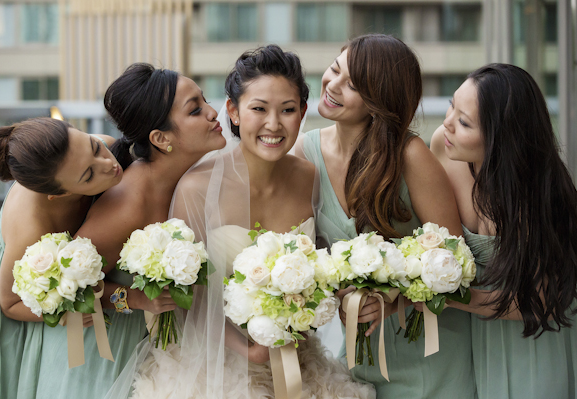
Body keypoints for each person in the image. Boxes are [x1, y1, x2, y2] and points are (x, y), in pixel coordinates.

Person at [107, 45, 376, 399]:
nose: (274, 124)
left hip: (296, 357)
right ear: (233, 111)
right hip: (215, 363)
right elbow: (188, 298)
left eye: (288, 110)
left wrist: (341, 300)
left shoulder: (310, 176)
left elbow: (323, 265)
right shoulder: (195, 187)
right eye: (259, 109)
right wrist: (247, 349)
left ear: (303, 113)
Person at [295, 33, 477, 398]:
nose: (332, 86)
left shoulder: (411, 156)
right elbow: (306, 252)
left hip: (429, 353)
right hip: (357, 356)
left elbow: (454, 262)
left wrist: (396, 299)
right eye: (334, 70)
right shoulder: (306, 151)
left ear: (379, 101)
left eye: (353, 86)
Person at [33, 63, 227, 398]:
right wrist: (133, 298)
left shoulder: (190, 176)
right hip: (99, 354)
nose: (213, 112)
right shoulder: (129, 203)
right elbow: (68, 287)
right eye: (196, 110)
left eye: (205, 100)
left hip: (147, 344)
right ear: (161, 139)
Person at [430, 63, 577, 399]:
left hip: (534, 337)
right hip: (476, 337)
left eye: (464, 122)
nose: (447, 122)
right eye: (452, 105)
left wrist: (447, 297)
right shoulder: (444, 145)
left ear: (501, 139)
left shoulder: (535, 197)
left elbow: (541, 304)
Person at [0, 117, 122, 399]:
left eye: (94, 147)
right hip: (11, 288)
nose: (108, 164)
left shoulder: (105, 147)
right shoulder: (31, 225)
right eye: (89, 175)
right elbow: (9, 303)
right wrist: (63, 314)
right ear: (59, 194)